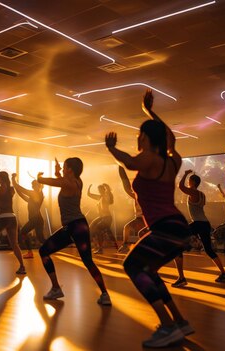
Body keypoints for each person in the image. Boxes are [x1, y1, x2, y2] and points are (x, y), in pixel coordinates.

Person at [105, 90, 194, 348]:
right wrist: (150, 112)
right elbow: (171, 137)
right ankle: (179, 322)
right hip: (176, 227)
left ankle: (167, 326)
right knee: (148, 270)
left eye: (139, 133)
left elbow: (131, 163)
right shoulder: (172, 160)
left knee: (133, 266)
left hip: (166, 228)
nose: (137, 137)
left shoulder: (149, 158)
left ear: (145, 136)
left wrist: (112, 149)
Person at [37, 157, 111, 305]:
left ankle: (56, 288)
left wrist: (39, 176)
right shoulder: (78, 182)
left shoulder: (66, 182)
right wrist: (59, 173)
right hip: (80, 226)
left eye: (65, 167)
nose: (63, 169)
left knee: (44, 251)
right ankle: (105, 294)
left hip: (72, 227)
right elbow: (64, 182)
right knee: (88, 261)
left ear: (70, 169)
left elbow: (43, 181)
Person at [173, 170, 225, 287]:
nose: (188, 182)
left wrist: (185, 174)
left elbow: (180, 186)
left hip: (198, 223)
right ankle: (224, 274)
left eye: (189, 181)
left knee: (176, 246)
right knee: (208, 250)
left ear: (192, 182)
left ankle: (181, 278)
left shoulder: (193, 192)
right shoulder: (202, 194)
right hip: (204, 223)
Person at [11, 173, 45, 259]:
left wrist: (13, 180)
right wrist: (15, 186)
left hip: (35, 219)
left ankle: (30, 253)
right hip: (38, 219)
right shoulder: (34, 196)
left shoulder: (35, 194)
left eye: (33, 185)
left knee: (23, 232)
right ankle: (52, 247)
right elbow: (22, 194)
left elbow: (22, 189)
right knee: (41, 238)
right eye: (32, 185)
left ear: (38, 186)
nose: (32, 186)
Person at [117, 166, 147, 254]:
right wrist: (122, 173)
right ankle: (125, 245)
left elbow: (127, 188)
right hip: (140, 218)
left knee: (141, 233)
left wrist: (122, 173)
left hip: (144, 219)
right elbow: (127, 188)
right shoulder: (137, 195)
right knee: (127, 228)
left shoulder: (141, 196)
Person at [88, 183, 118, 254]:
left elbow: (108, 192)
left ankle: (100, 248)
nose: (99, 191)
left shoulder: (106, 196)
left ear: (104, 190)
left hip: (107, 218)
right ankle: (96, 245)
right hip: (101, 217)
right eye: (99, 190)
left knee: (98, 228)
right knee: (91, 227)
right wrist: (89, 187)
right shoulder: (100, 197)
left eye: (101, 189)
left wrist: (107, 187)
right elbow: (89, 194)